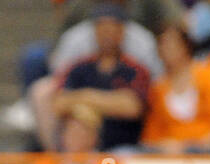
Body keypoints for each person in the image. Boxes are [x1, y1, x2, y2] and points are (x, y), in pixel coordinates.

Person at [42, 4, 151, 153]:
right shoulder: (79, 68)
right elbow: (59, 103)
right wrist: (111, 101)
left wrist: (84, 96)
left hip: (122, 147)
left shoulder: (135, 70)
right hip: (82, 148)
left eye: (112, 29)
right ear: (94, 32)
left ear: (122, 32)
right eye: (102, 28)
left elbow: (132, 107)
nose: (107, 34)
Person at [140, 24, 210, 154]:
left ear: (186, 45)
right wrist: (162, 145)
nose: (166, 49)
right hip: (171, 154)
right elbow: (152, 133)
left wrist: (205, 143)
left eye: (171, 43)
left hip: (208, 150)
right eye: (162, 44)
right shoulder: (158, 88)